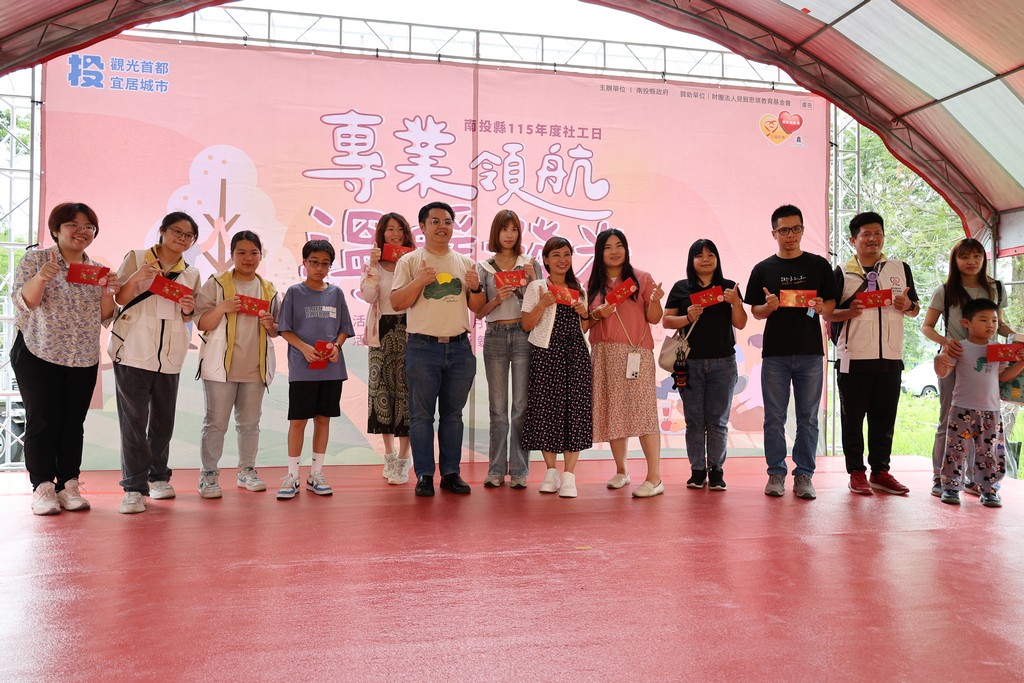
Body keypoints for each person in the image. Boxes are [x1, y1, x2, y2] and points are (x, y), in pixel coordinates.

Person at [11, 203, 120, 515]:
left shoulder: (96, 270)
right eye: (73, 225)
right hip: (38, 350)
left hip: (82, 355)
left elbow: (105, 317)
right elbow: (24, 302)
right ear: (56, 230)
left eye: (89, 227)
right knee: (43, 420)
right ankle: (43, 487)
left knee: (73, 423)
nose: (82, 231)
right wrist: (42, 277)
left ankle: (68, 484)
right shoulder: (36, 259)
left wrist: (107, 292)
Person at [391, 201, 484, 497]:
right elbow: (396, 303)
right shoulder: (410, 261)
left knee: (453, 415)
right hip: (423, 347)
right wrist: (419, 281)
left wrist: (476, 288)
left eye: (447, 221)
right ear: (422, 227)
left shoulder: (466, 263)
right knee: (421, 416)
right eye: (435, 221)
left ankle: (451, 473)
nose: (442, 227)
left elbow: (478, 308)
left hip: (459, 348)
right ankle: (424, 475)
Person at [110, 212, 201, 514]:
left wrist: (188, 309)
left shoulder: (191, 273)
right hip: (133, 352)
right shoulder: (137, 258)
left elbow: (188, 317)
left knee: (163, 422)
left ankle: (158, 477)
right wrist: (138, 278)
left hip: (169, 357)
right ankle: (134, 488)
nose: (181, 239)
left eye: (188, 236)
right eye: (177, 231)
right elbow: (119, 298)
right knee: (134, 423)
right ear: (162, 230)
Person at [744, 205, 838, 500]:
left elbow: (831, 305)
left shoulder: (818, 265)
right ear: (774, 233)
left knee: (808, 417)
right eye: (784, 230)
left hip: (810, 353)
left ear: (802, 230)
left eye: (796, 229)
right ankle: (776, 472)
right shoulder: (763, 269)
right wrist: (767, 307)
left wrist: (822, 307)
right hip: (775, 354)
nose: (790, 235)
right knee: (774, 417)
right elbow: (755, 311)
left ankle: (804, 474)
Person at [825, 212, 918, 496]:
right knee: (852, 420)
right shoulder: (841, 272)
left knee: (884, 419)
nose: (873, 239)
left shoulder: (899, 268)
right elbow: (828, 313)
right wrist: (848, 311)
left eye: (878, 233)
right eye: (866, 234)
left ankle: (880, 471)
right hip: (853, 358)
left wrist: (907, 306)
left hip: (890, 356)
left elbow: (915, 309)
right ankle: (856, 472)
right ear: (853, 240)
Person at [921, 238, 1019, 497]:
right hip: (955, 359)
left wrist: (1016, 337)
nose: (971, 261)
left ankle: (976, 479)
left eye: (977, 256)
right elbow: (926, 326)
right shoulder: (945, 290)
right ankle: (941, 477)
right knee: (949, 420)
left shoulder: (995, 287)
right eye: (964, 257)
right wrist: (946, 343)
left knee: (983, 423)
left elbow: (1001, 324)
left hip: (989, 359)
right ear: (955, 260)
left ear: (984, 258)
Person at [194, 230, 279, 499]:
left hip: (254, 368)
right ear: (232, 255)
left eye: (254, 252)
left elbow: (277, 330)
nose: (248, 258)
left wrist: (271, 325)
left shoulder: (269, 289)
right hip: (221, 367)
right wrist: (222, 308)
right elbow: (201, 322)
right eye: (241, 252)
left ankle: (247, 471)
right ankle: (209, 475)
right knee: (215, 423)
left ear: (261, 255)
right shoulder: (217, 284)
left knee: (250, 424)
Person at [586, 228, 666, 498]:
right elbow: (587, 322)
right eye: (608, 247)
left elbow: (654, 318)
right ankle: (622, 471)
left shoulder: (642, 278)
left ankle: (654, 478)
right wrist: (598, 313)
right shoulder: (593, 284)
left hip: (635, 353)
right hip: (604, 354)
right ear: (600, 252)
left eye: (619, 245)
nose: (614, 251)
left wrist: (654, 301)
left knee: (644, 413)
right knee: (614, 413)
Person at [663, 239, 747, 491]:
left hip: (724, 362)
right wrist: (687, 316)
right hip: (689, 363)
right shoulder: (681, 287)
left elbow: (740, 323)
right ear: (691, 261)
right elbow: (667, 321)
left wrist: (735, 302)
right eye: (699, 255)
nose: (705, 260)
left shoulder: (729, 287)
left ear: (717, 259)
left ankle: (717, 470)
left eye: (710, 255)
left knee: (718, 421)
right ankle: (697, 470)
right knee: (694, 421)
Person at [276, 239, 354, 500]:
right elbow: (284, 329)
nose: (319, 268)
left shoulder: (336, 293)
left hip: (331, 370)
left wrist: (337, 347)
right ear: (304, 263)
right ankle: (292, 475)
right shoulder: (294, 293)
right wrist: (304, 348)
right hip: (302, 369)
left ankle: (316, 473)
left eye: (325, 264)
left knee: (323, 419)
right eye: (314, 262)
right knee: (298, 421)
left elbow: (344, 329)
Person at [473, 209, 542, 489]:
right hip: (496, 335)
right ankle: (496, 469)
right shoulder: (485, 267)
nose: (509, 235)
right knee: (498, 409)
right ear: (496, 233)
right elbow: (479, 312)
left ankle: (520, 470)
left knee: (521, 407)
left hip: (524, 335)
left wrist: (529, 283)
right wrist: (496, 299)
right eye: (504, 229)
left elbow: (540, 304)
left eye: (514, 229)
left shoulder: (530, 264)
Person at [934, 298, 1024, 508]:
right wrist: (939, 361)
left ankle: (989, 490)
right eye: (983, 320)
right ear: (966, 323)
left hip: (991, 410)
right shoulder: (959, 347)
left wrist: (1020, 364)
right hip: (961, 408)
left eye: (994, 321)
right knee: (955, 450)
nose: (990, 325)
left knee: (989, 453)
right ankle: (950, 487)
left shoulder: (999, 349)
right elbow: (943, 372)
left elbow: (1002, 377)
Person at [521, 237, 593, 497]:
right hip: (546, 353)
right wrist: (542, 304)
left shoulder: (579, 289)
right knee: (546, 410)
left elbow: (584, 328)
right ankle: (551, 471)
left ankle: (569, 475)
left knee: (576, 410)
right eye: (556, 255)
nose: (562, 260)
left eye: (566, 254)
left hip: (576, 355)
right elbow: (526, 324)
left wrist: (584, 313)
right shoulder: (538, 287)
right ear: (546, 260)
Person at [360, 212, 414, 485]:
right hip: (381, 333)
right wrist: (372, 266)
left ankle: (405, 458)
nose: (395, 234)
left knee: (406, 395)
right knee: (382, 393)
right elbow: (368, 295)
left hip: (410, 332)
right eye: (389, 229)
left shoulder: (414, 261)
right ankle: (389, 455)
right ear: (381, 234)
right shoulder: (374, 264)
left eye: (400, 230)